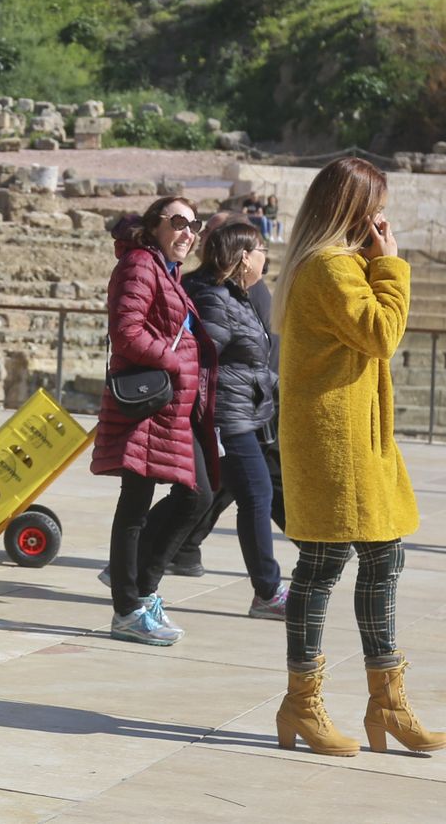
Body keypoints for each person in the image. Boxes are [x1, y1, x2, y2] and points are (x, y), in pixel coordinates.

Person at [272, 156, 446, 757]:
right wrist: (391, 265)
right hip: (334, 442)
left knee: (383, 556)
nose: (380, 218)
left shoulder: (330, 265)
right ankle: (302, 702)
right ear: (350, 208)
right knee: (321, 567)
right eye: (373, 206)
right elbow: (380, 333)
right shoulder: (328, 267)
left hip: (355, 438)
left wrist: (375, 264)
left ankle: (388, 704)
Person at [91, 197, 218, 646]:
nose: (189, 232)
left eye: (194, 225)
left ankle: (140, 590)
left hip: (171, 407)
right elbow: (125, 329)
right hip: (148, 402)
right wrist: (174, 363)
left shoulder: (165, 268)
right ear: (154, 226)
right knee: (136, 506)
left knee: (198, 495)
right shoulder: (141, 264)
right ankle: (128, 608)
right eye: (179, 222)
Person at [184, 221, 287, 620]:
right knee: (256, 495)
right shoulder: (215, 298)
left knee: (209, 496)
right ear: (245, 256)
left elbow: (252, 358)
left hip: (243, 412)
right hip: (227, 417)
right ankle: (267, 591)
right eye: (262, 250)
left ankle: (139, 569)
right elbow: (202, 358)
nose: (266, 258)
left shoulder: (236, 294)